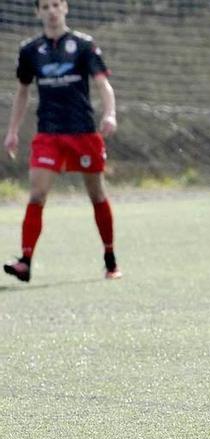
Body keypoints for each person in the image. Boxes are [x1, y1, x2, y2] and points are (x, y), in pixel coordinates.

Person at [3, 0, 121, 283]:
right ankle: (25, 261)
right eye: (45, 6)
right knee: (37, 194)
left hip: (83, 132)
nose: (52, 11)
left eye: (56, 4)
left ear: (65, 8)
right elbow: (22, 92)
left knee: (97, 195)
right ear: (38, 12)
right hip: (49, 134)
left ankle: (110, 259)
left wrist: (110, 114)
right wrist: (12, 130)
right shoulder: (30, 50)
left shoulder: (84, 45)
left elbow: (103, 84)